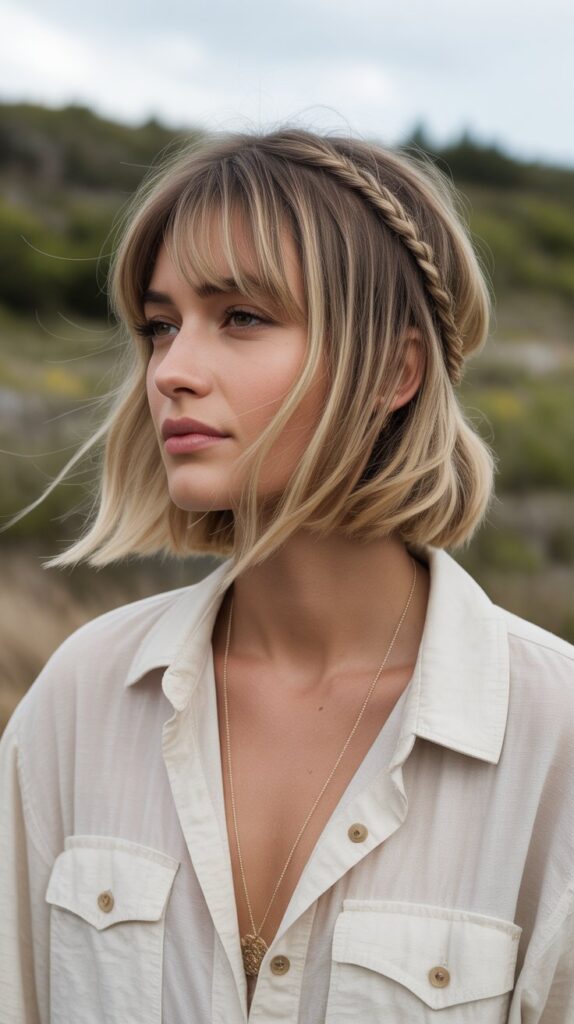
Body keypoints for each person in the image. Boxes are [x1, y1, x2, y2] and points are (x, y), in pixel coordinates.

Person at [1, 126, 573, 1024]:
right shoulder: (83, 698)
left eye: (242, 317)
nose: (173, 371)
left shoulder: (554, 740)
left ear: (394, 370)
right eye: (160, 326)